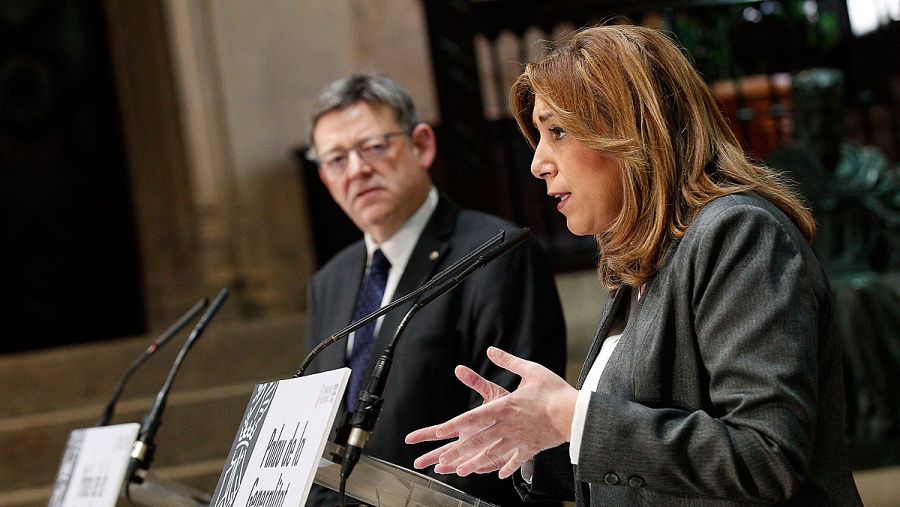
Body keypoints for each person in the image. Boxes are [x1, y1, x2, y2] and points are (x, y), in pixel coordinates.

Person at [405, 25, 863, 506]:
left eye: (556, 131)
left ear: (632, 129)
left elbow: (764, 458)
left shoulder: (739, 234)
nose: (538, 163)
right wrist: (542, 440)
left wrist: (573, 417)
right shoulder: (647, 264)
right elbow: (650, 462)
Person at [302, 73, 566, 506]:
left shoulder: (494, 253)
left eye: (373, 147)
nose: (357, 170)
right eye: (336, 159)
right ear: (326, 179)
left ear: (421, 145)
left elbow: (508, 431)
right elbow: (320, 437)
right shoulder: (328, 282)